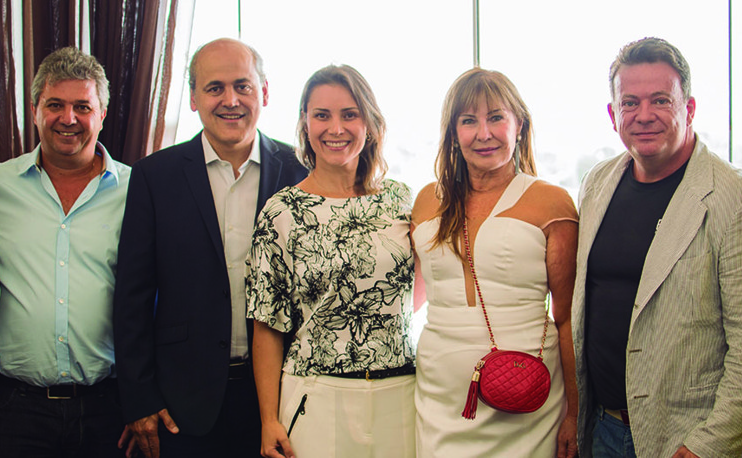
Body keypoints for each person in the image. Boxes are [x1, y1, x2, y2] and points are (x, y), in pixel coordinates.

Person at [571, 37, 742, 458]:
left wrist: (709, 444)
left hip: (684, 440)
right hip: (600, 429)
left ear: (689, 108)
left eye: (660, 100)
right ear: (614, 115)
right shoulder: (597, 183)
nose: (643, 115)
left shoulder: (737, 201)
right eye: (630, 103)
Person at [113, 38, 307, 457]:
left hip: (283, 397)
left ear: (265, 93)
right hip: (183, 403)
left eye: (243, 86)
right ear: (194, 98)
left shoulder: (300, 172)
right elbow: (132, 295)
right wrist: (140, 397)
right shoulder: (154, 176)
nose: (230, 100)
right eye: (215, 88)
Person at [247, 64, 416, 458]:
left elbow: (422, 289)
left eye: (349, 114)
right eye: (321, 115)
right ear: (305, 123)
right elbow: (267, 327)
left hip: (401, 393)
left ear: (370, 124)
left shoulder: (401, 200)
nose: (335, 128)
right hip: (316, 396)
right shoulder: (281, 212)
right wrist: (268, 419)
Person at [412, 68, 579, 458]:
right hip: (439, 392)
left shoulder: (551, 202)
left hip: (527, 396)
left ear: (519, 124)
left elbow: (568, 316)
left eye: (496, 117)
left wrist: (573, 410)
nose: (483, 133)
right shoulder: (425, 201)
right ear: (453, 132)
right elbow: (408, 295)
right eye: (468, 120)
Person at [0, 46, 131, 456]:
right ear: (34, 111)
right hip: (13, 407)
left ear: (101, 114)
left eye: (83, 106)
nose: (68, 118)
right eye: (55, 105)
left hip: (109, 408)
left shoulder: (138, 191)